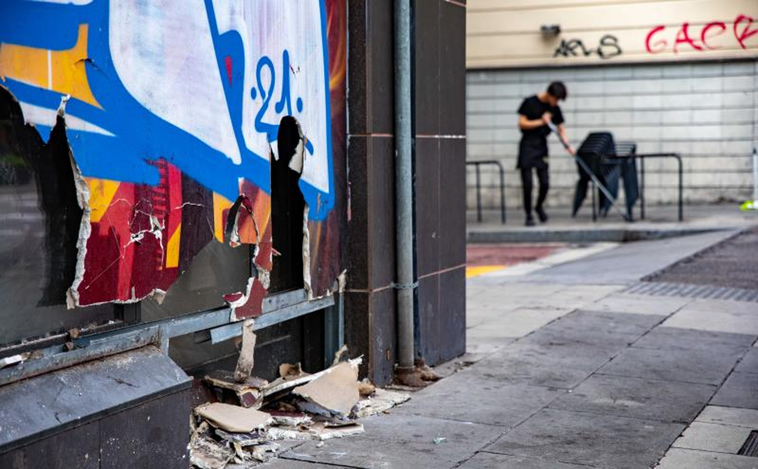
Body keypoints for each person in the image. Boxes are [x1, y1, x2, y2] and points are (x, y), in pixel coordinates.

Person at [516, 81, 575, 226]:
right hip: (527, 145)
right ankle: (529, 214)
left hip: (542, 146)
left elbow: (561, 128)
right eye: (556, 99)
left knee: (545, 183)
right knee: (528, 183)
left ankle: (538, 206)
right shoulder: (530, 102)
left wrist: (567, 145)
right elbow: (522, 123)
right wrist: (542, 122)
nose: (556, 102)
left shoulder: (555, 108)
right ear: (549, 95)